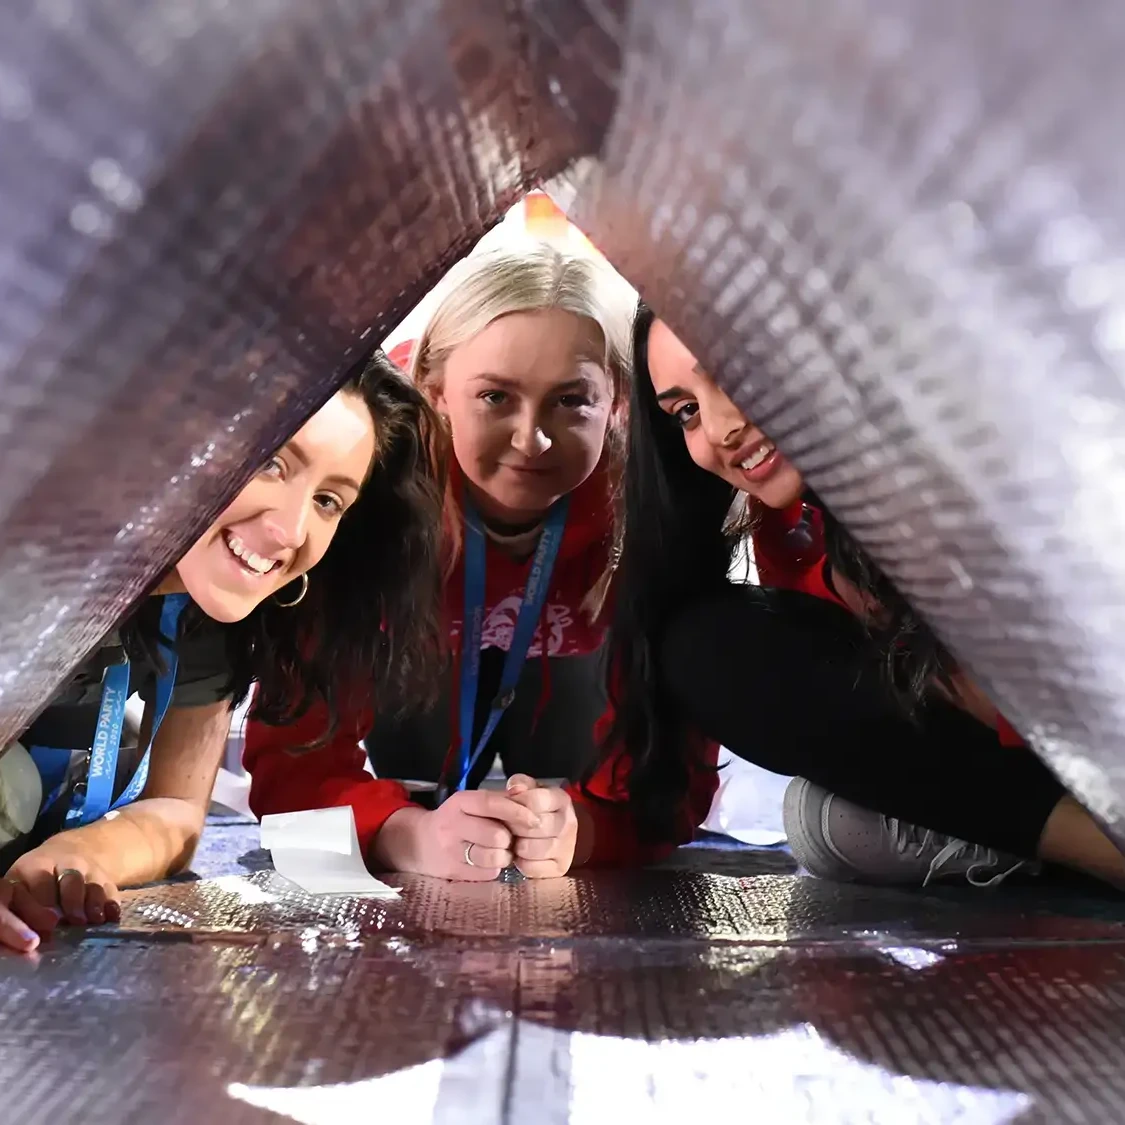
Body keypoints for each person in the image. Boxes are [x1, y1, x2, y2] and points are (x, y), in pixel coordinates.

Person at [601, 301, 1125, 890]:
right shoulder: (788, 531)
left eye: (733, 371)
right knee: (819, 816)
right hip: (1038, 775)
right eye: (687, 412)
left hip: (1090, 731)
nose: (720, 428)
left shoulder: (972, 448)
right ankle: (1091, 848)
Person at [0, 352, 446, 953]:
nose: (290, 531)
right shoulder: (24, 564)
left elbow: (179, 813)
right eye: (270, 463)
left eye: (328, 501)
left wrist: (78, 856)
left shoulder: (202, 616)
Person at [245, 242, 661, 881]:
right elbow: (289, 772)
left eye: (571, 400)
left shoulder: (651, 496)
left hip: (566, 724)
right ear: (436, 390)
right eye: (495, 397)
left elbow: (672, 782)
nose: (532, 439)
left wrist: (586, 833)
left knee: (573, 780)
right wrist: (404, 835)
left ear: (619, 402)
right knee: (417, 780)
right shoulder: (364, 488)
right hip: (418, 719)